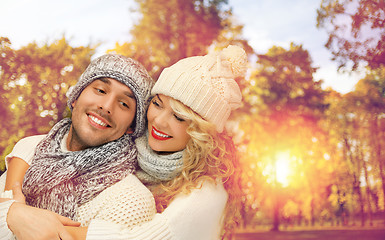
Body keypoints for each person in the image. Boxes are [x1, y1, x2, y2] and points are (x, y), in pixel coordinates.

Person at [2, 45, 247, 240]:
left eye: (179, 117)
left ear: (201, 133)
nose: (158, 122)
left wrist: (38, 223)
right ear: (74, 97)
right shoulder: (40, 150)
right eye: (157, 104)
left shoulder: (206, 193)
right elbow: (35, 145)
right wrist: (14, 205)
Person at [0, 54, 156, 239]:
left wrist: (12, 213)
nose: (106, 106)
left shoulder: (131, 200)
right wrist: (11, 214)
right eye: (100, 90)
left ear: (132, 126)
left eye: (124, 104)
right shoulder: (29, 148)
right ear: (75, 98)